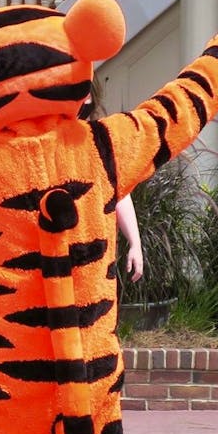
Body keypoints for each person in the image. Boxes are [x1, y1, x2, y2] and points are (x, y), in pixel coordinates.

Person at [80, 79, 144, 283]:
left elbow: (120, 192)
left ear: (87, 97)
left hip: (95, 259)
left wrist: (135, 242)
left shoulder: (98, 142)